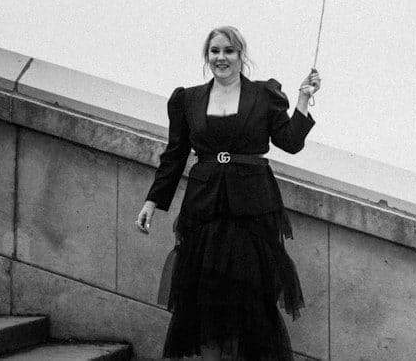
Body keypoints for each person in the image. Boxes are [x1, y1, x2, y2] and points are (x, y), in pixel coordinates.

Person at [135, 25, 320, 360]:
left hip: (252, 211)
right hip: (205, 211)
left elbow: (290, 143)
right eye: (215, 51)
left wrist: (304, 100)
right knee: (205, 305)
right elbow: (175, 155)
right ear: (207, 57)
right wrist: (152, 201)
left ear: (241, 56)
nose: (221, 58)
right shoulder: (187, 99)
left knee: (250, 303)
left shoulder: (264, 95)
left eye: (229, 51)